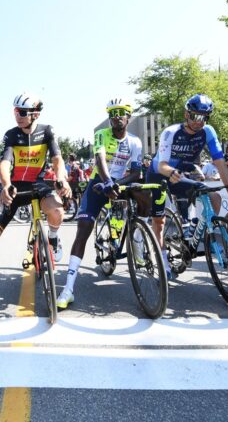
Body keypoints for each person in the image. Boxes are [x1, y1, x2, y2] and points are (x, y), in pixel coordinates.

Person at [0, 92, 71, 302]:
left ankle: (54, 238)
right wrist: (6, 184)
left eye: (22, 112)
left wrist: (61, 178)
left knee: (57, 209)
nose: (17, 116)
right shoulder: (11, 134)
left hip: (38, 185)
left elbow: (57, 158)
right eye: (15, 111)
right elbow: (4, 162)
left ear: (35, 114)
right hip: (15, 187)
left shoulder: (47, 131)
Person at [56, 98, 147, 309]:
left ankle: (138, 237)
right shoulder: (101, 135)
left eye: (121, 112)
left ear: (128, 116)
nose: (116, 116)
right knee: (84, 230)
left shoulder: (135, 141)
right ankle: (68, 288)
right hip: (99, 182)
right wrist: (107, 183)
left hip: (121, 181)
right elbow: (100, 160)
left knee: (145, 197)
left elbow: (135, 172)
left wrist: (117, 184)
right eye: (113, 113)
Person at [148, 94, 228, 278]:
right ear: (186, 114)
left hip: (179, 174)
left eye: (205, 117)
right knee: (159, 221)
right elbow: (161, 165)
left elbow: (220, 163)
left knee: (215, 197)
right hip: (159, 174)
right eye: (195, 116)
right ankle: (163, 263)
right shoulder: (171, 132)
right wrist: (171, 173)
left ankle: (197, 234)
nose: (199, 121)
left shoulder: (208, 131)